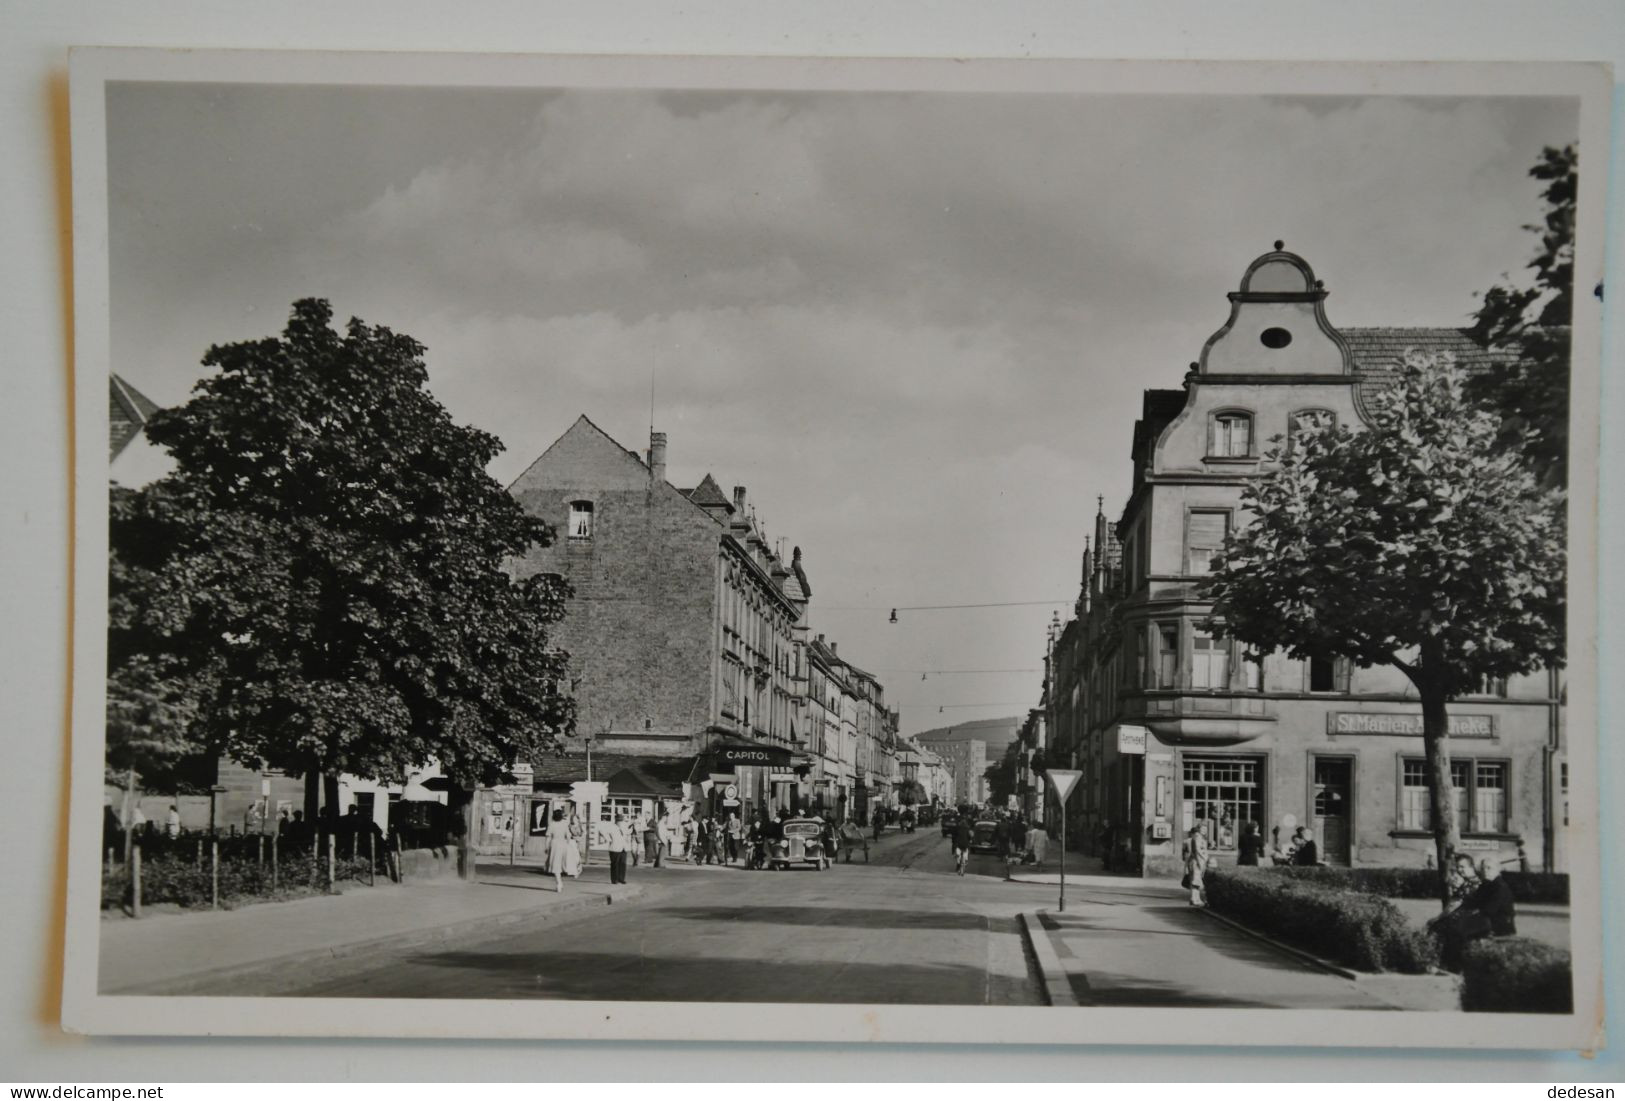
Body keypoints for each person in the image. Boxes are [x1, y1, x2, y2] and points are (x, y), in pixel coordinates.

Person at [542, 808, 574, 892]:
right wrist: (569, 844)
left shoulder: (552, 824)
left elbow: (548, 836)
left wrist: (546, 847)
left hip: (554, 844)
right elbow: (568, 836)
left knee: (555, 864)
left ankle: (559, 883)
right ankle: (560, 881)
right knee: (563, 862)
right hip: (563, 844)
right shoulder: (564, 824)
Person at [1182, 824, 1209, 906]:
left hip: (1196, 861)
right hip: (1197, 861)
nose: (1204, 830)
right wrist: (1203, 859)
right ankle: (1194, 899)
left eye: (1206, 829)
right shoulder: (1198, 837)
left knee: (1196, 881)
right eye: (1203, 828)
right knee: (1195, 881)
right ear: (1199, 829)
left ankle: (1196, 898)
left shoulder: (1198, 837)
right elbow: (1197, 850)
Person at [605, 812, 631, 885]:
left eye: (621, 820)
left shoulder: (624, 827)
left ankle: (621, 878)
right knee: (615, 864)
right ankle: (614, 879)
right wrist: (609, 840)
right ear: (616, 821)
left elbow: (628, 833)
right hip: (614, 848)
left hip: (623, 848)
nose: (620, 822)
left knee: (623, 863)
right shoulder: (611, 827)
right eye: (619, 821)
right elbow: (603, 832)